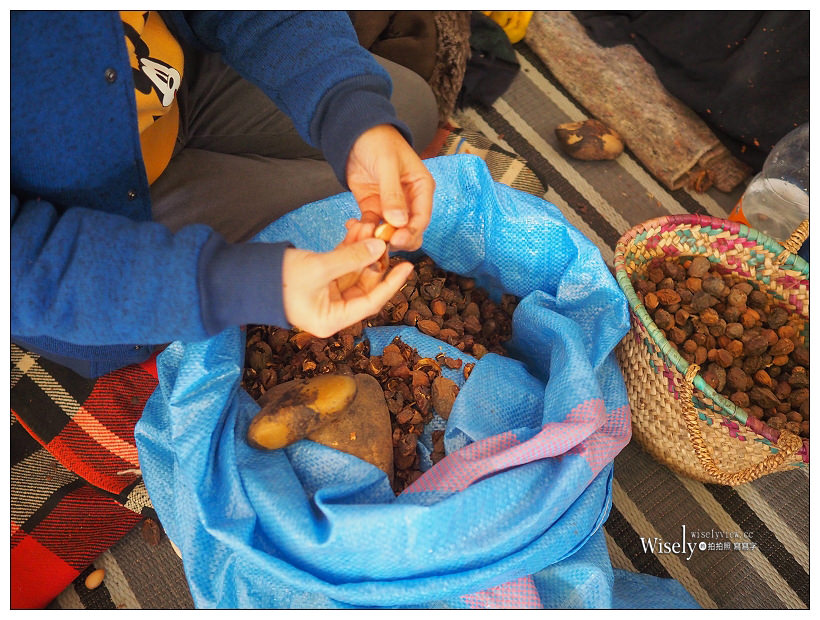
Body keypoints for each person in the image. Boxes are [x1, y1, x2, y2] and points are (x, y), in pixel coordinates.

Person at [11, 10, 439, 378]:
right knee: (320, 234)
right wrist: (244, 284)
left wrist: (349, 110)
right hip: (96, 232)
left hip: (175, 86)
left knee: (408, 110)